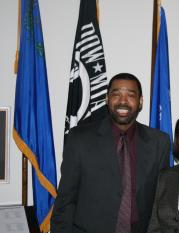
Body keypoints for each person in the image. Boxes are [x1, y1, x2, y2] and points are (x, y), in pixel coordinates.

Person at [51, 73, 170, 233]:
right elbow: (66, 201)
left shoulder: (159, 142)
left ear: (140, 101)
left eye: (130, 95)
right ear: (107, 99)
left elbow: (161, 200)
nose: (123, 101)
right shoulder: (79, 139)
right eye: (116, 94)